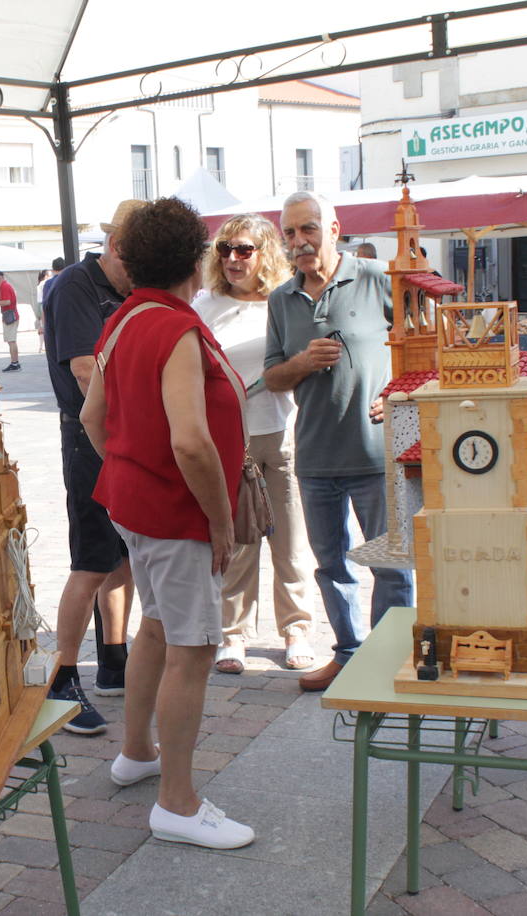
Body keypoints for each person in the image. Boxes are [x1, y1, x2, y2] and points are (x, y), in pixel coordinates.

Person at [80, 197, 254, 850]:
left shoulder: (125, 318)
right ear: (197, 260)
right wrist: (219, 519)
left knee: (155, 625)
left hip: (135, 506)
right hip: (177, 515)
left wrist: (130, 466)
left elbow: (92, 417)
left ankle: (136, 752)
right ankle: (178, 802)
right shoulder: (175, 329)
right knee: (193, 647)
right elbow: (191, 441)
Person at [264, 191, 414, 692]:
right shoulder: (281, 299)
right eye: (289, 233)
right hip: (315, 458)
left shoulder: (377, 278)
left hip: (376, 454)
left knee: (391, 564)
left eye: (308, 228)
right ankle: (349, 656)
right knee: (331, 567)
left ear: (334, 228)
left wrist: (400, 393)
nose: (299, 241)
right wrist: (302, 363)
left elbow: (428, 344)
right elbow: (272, 377)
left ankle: (391, 660)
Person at [194, 215, 319, 674]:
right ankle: (233, 634)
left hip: (280, 430)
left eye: (244, 249)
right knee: (239, 537)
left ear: (265, 253)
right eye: (224, 249)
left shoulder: (285, 301)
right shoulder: (206, 304)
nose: (232, 258)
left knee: (290, 538)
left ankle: (297, 628)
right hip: (227, 436)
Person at [42, 199, 143, 734]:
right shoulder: (75, 287)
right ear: (118, 247)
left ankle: (113, 661)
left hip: (118, 435)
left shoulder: (125, 291)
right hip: (89, 437)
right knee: (91, 561)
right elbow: (85, 371)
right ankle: (61, 680)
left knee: (121, 555)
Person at [0, 269, 21, 371]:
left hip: (10, 316)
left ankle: (15, 363)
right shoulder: (3, 286)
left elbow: (7, 301)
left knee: (11, 341)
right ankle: (15, 363)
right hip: (9, 315)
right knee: (11, 341)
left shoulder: (4, 287)